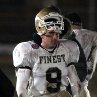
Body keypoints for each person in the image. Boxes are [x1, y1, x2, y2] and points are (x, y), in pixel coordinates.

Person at [12, 6, 81, 97]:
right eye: (51, 33)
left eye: (57, 33)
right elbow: (21, 90)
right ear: (41, 32)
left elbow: (75, 83)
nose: (55, 37)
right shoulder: (28, 51)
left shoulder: (67, 48)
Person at [61, 12, 97, 97]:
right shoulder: (94, 36)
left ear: (69, 24)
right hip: (83, 89)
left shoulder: (64, 36)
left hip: (64, 88)